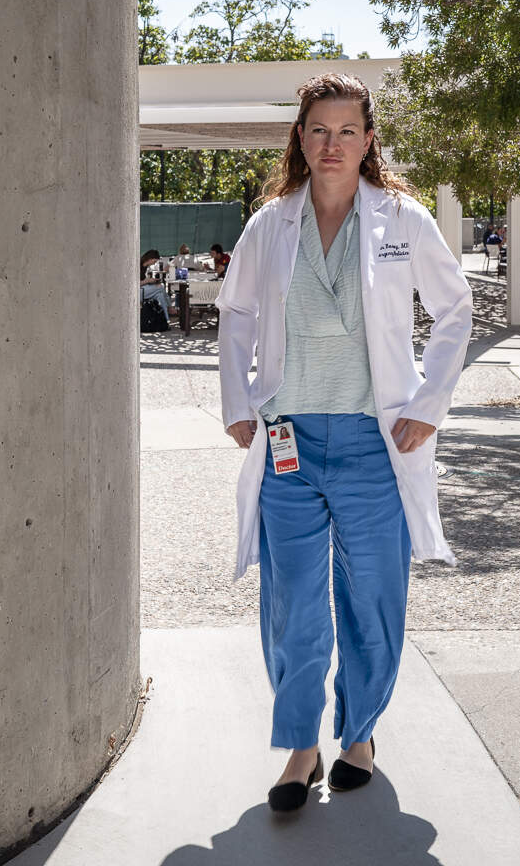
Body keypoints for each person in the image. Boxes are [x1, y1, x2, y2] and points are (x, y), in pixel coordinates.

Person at [215, 72, 472, 814]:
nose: (332, 144)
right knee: (293, 602)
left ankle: (358, 732)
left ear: (368, 140)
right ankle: (302, 745)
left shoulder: (403, 218)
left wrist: (430, 404)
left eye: (347, 131)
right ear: (300, 138)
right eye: (318, 130)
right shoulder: (271, 224)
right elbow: (234, 316)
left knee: (373, 598)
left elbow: (455, 311)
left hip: (372, 441)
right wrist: (238, 402)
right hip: (288, 444)